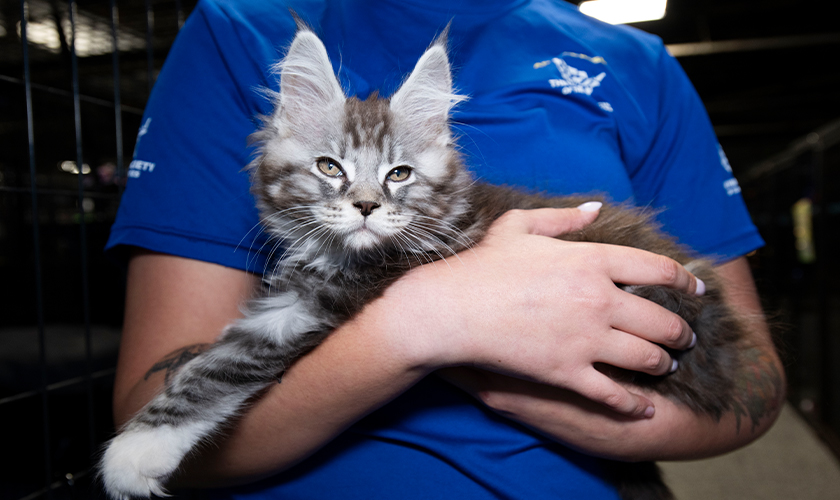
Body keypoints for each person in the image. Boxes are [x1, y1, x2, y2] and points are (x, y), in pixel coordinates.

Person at [105, 0, 785, 498]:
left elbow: (751, 378)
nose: (367, 202)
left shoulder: (639, 65)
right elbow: (160, 389)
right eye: (339, 173)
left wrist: (610, 423)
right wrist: (427, 321)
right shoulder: (235, 29)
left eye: (394, 176)